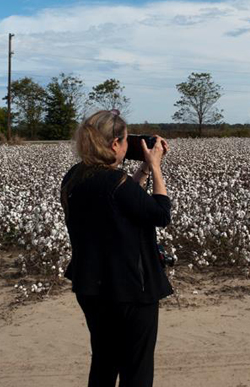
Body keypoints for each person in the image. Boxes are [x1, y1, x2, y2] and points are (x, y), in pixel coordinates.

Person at [61, 109, 172, 387]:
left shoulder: (73, 178)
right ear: (114, 145)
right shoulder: (116, 183)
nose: (127, 146)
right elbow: (160, 214)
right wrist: (156, 167)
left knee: (104, 362)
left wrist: (143, 170)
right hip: (131, 290)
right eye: (125, 141)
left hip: (91, 288)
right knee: (137, 369)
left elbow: (120, 205)